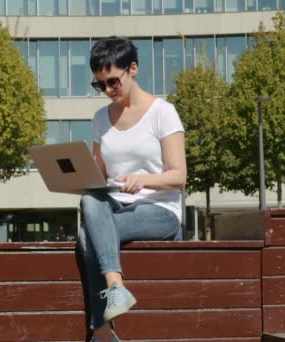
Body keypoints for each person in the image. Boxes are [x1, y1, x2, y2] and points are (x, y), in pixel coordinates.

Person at [77, 36, 187, 342]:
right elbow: (100, 175)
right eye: (99, 85)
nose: (108, 90)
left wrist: (144, 179)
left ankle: (100, 330)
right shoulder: (101, 118)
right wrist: (74, 175)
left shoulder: (163, 112)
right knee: (90, 198)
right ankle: (116, 287)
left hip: (159, 209)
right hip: (114, 205)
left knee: (88, 235)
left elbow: (179, 176)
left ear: (133, 69)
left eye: (112, 82)